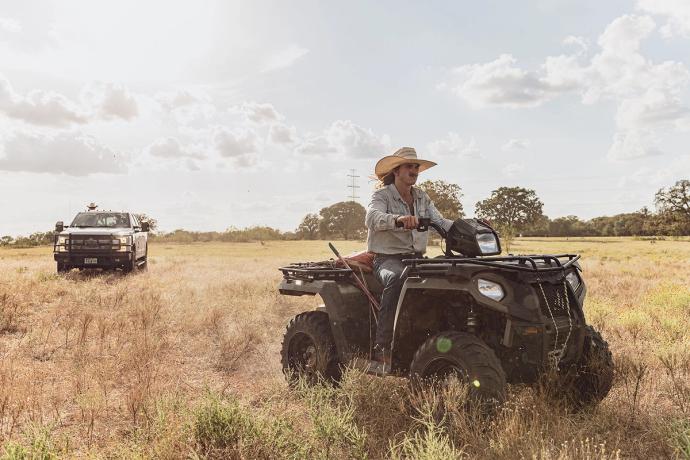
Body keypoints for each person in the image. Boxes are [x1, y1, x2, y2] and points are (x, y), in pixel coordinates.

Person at [365, 147, 454, 371]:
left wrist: (472, 225)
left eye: (416, 167)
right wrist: (398, 219)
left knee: (451, 275)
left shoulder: (422, 196)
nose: (414, 170)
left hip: (417, 259)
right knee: (396, 279)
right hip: (387, 259)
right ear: (396, 170)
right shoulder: (382, 195)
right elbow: (372, 218)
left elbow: (441, 222)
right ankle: (382, 347)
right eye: (409, 166)